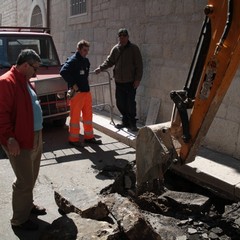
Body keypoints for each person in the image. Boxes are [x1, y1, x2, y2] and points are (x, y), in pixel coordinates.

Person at [0, 49, 46, 231]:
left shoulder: (25, 81)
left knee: (31, 176)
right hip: (18, 139)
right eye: (35, 68)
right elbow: (1, 114)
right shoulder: (6, 82)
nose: (37, 72)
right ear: (25, 65)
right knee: (24, 180)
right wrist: (10, 138)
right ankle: (19, 220)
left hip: (34, 136)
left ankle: (27, 206)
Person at [95, 28, 143, 131]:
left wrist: (137, 79)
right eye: (120, 36)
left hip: (130, 81)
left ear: (128, 37)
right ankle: (125, 121)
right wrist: (101, 68)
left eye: (124, 36)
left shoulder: (134, 49)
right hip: (119, 81)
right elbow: (110, 61)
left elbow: (139, 65)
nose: (122, 38)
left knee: (130, 103)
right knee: (120, 103)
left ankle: (132, 123)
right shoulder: (116, 49)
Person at [60, 40, 102, 146]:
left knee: (88, 116)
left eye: (87, 50)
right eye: (84, 50)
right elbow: (63, 71)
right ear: (78, 49)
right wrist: (73, 84)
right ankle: (73, 140)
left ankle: (89, 137)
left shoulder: (86, 61)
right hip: (77, 93)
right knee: (75, 116)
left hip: (86, 92)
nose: (86, 52)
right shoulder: (73, 60)